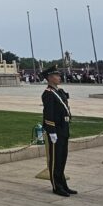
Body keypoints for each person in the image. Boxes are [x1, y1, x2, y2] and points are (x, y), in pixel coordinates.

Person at [41, 65, 76, 197]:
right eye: (56, 75)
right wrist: (51, 131)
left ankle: (63, 184)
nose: (59, 77)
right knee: (55, 159)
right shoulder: (48, 94)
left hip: (63, 128)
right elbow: (48, 114)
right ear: (50, 78)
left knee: (62, 158)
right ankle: (56, 186)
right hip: (55, 130)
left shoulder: (59, 92)